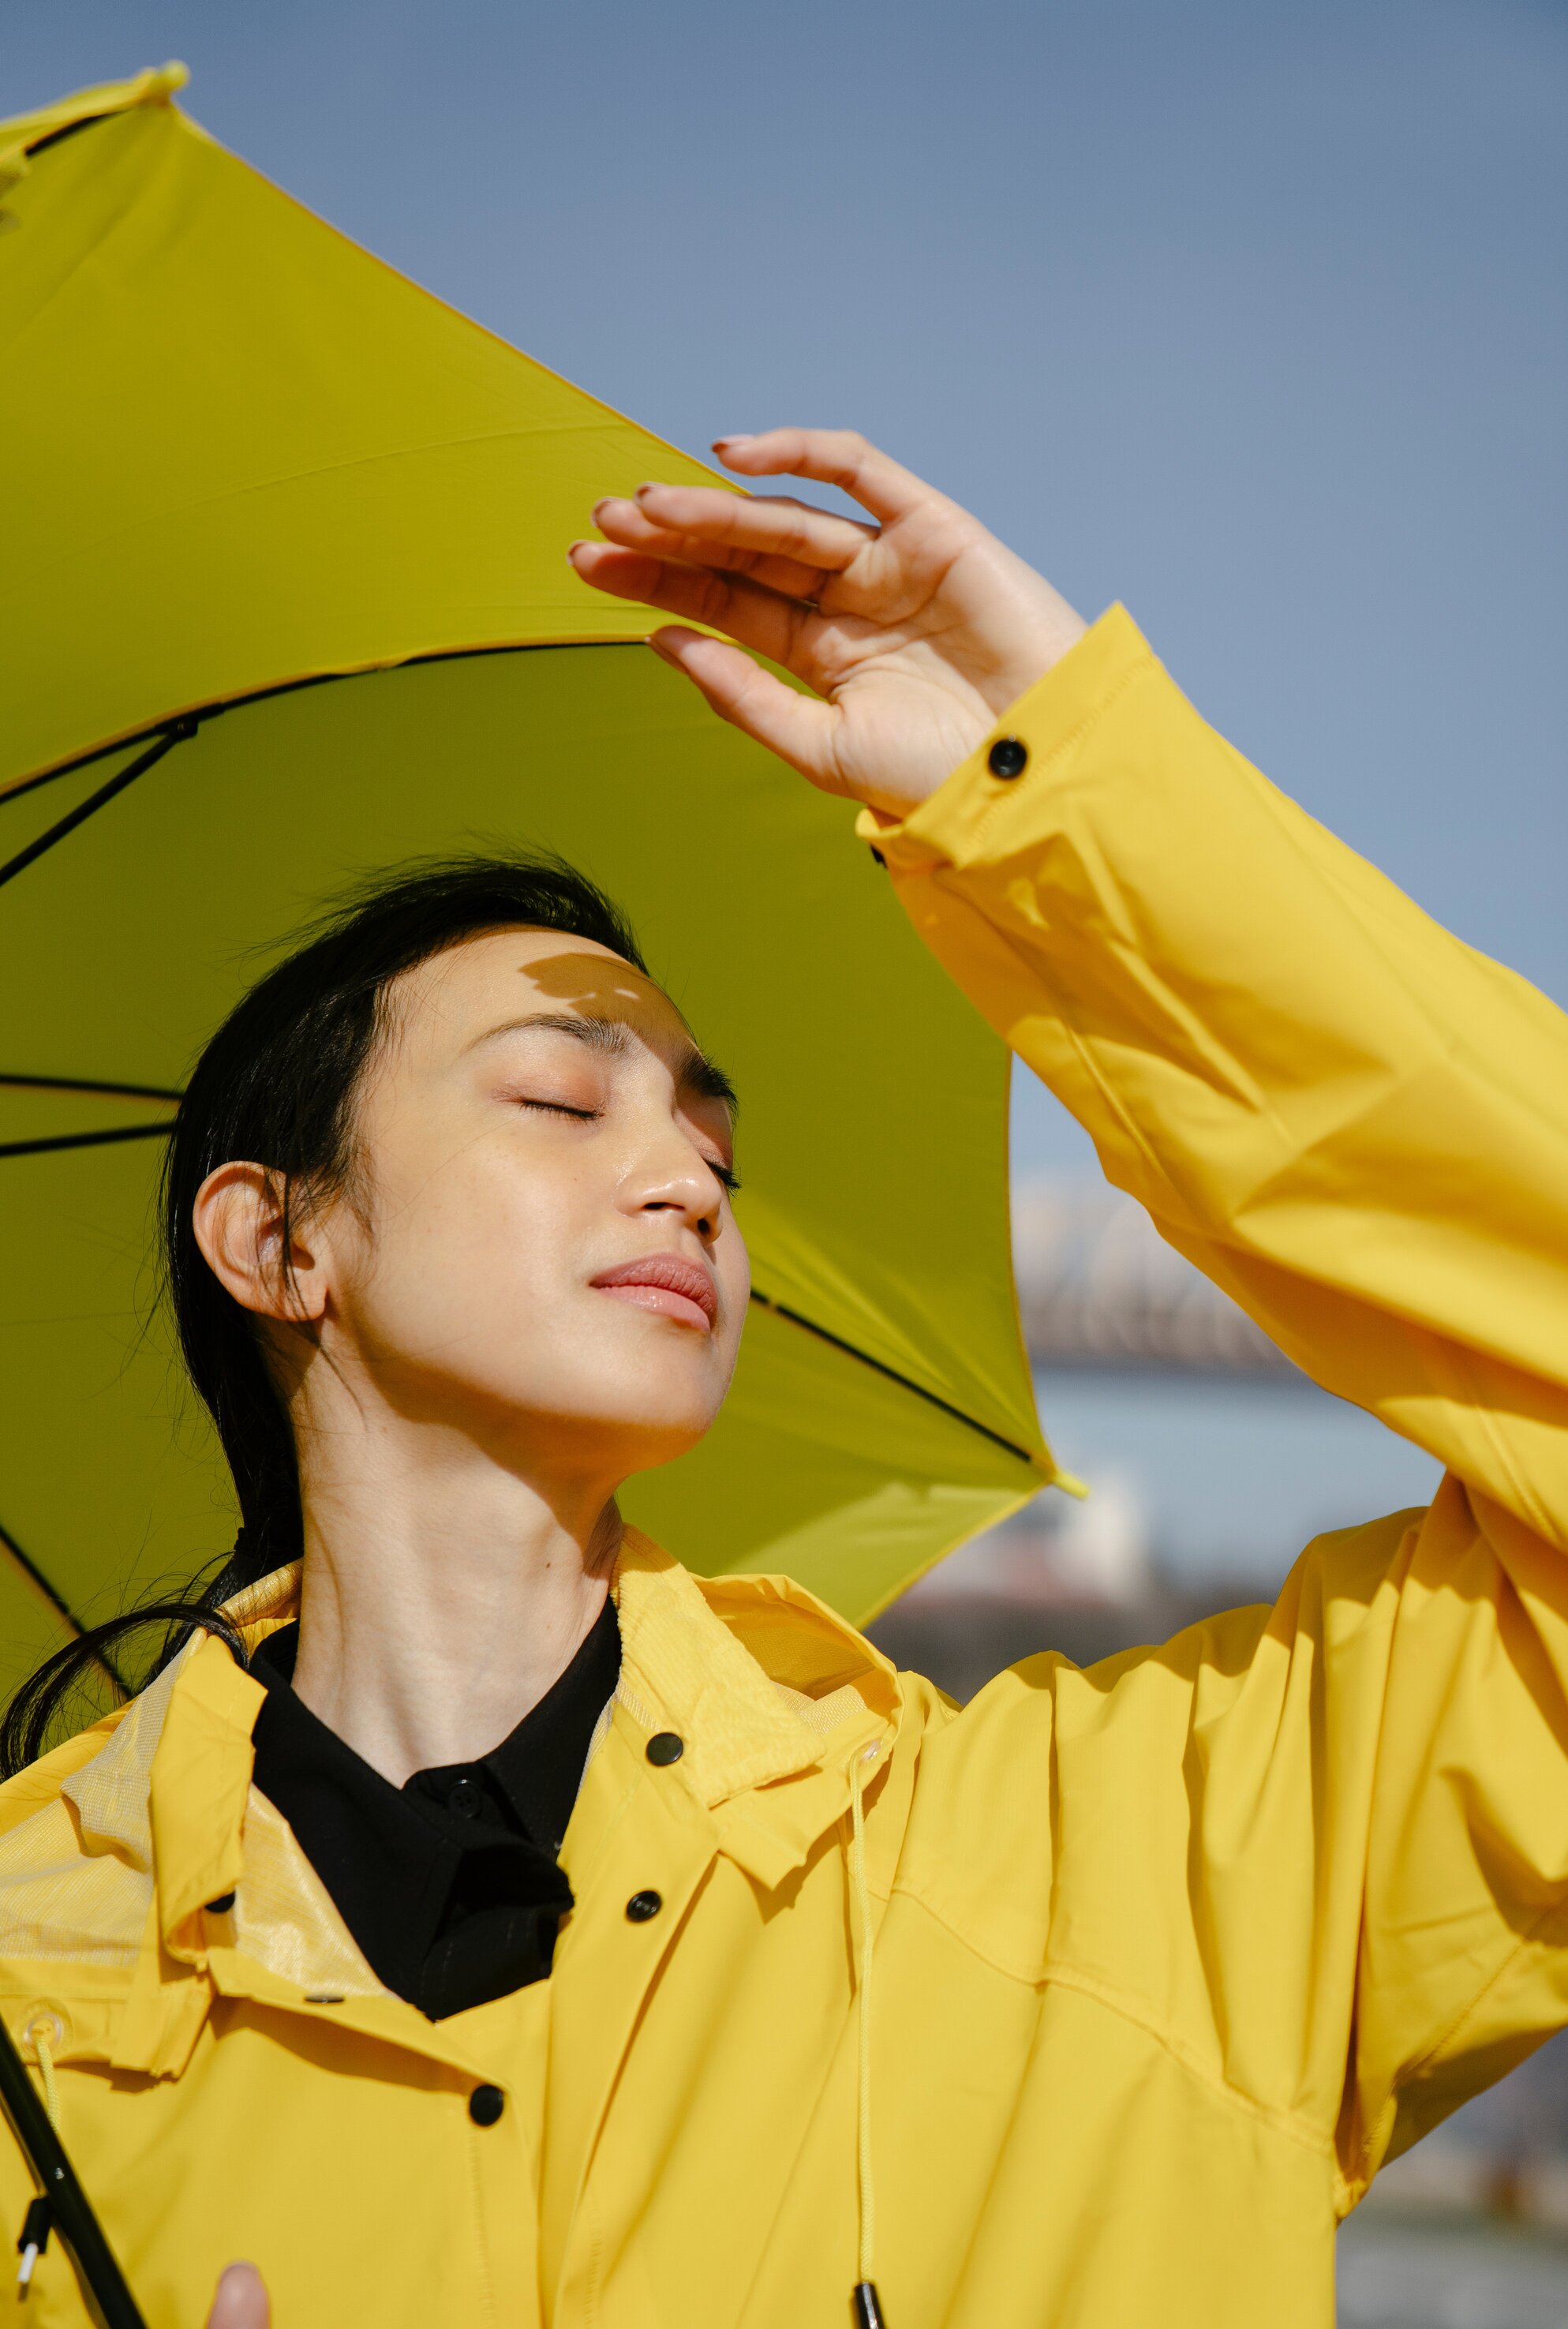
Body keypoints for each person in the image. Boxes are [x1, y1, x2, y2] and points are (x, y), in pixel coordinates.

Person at [1, 429, 1564, 2329]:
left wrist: (1060, 813)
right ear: (277, 1243)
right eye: (563, 1098)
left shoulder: (1115, 1874)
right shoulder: (28, 2000)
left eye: (716, 1153)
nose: (680, 1177)